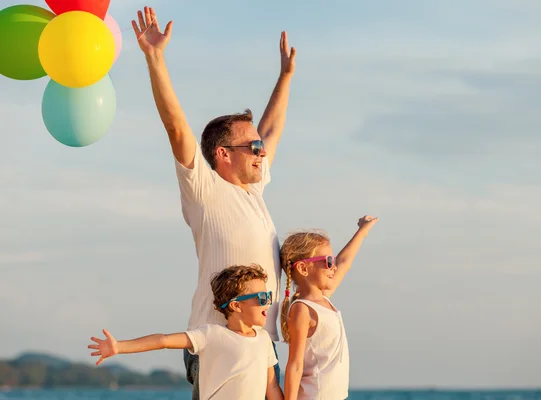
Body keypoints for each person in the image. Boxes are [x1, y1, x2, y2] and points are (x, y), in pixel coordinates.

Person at [131, 6, 296, 397]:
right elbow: (175, 126)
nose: (261, 151)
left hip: (257, 339)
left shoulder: (253, 192)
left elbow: (271, 128)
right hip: (218, 338)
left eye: (260, 146)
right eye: (252, 146)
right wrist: (155, 58)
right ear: (223, 154)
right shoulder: (204, 190)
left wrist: (285, 77)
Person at [87, 264, 283, 400]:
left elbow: (272, 387)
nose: (268, 301)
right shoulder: (211, 335)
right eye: (261, 297)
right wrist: (119, 346)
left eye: (268, 295)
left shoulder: (264, 340)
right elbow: (163, 341)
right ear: (235, 306)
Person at [279, 215, 379, 400]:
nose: (333, 267)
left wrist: (362, 231)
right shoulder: (302, 309)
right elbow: (295, 364)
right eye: (328, 261)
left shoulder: (323, 300)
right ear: (303, 268)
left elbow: (344, 263)